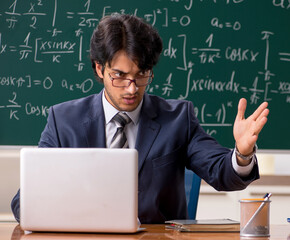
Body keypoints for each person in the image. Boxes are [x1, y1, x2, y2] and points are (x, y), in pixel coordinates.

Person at [11, 13, 269, 224]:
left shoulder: (178, 119)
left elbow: (222, 173)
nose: (132, 88)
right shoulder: (63, 120)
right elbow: (24, 201)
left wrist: (242, 154)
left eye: (142, 74)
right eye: (120, 75)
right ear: (99, 69)